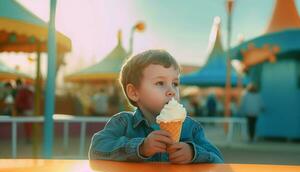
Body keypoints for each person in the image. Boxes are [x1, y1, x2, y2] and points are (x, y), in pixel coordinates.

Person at [89, 49, 224, 164]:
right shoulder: (123, 123)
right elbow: (96, 150)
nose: (171, 90)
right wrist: (141, 148)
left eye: (175, 83)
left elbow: (218, 160)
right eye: (160, 83)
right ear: (134, 92)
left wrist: (193, 153)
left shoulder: (191, 127)